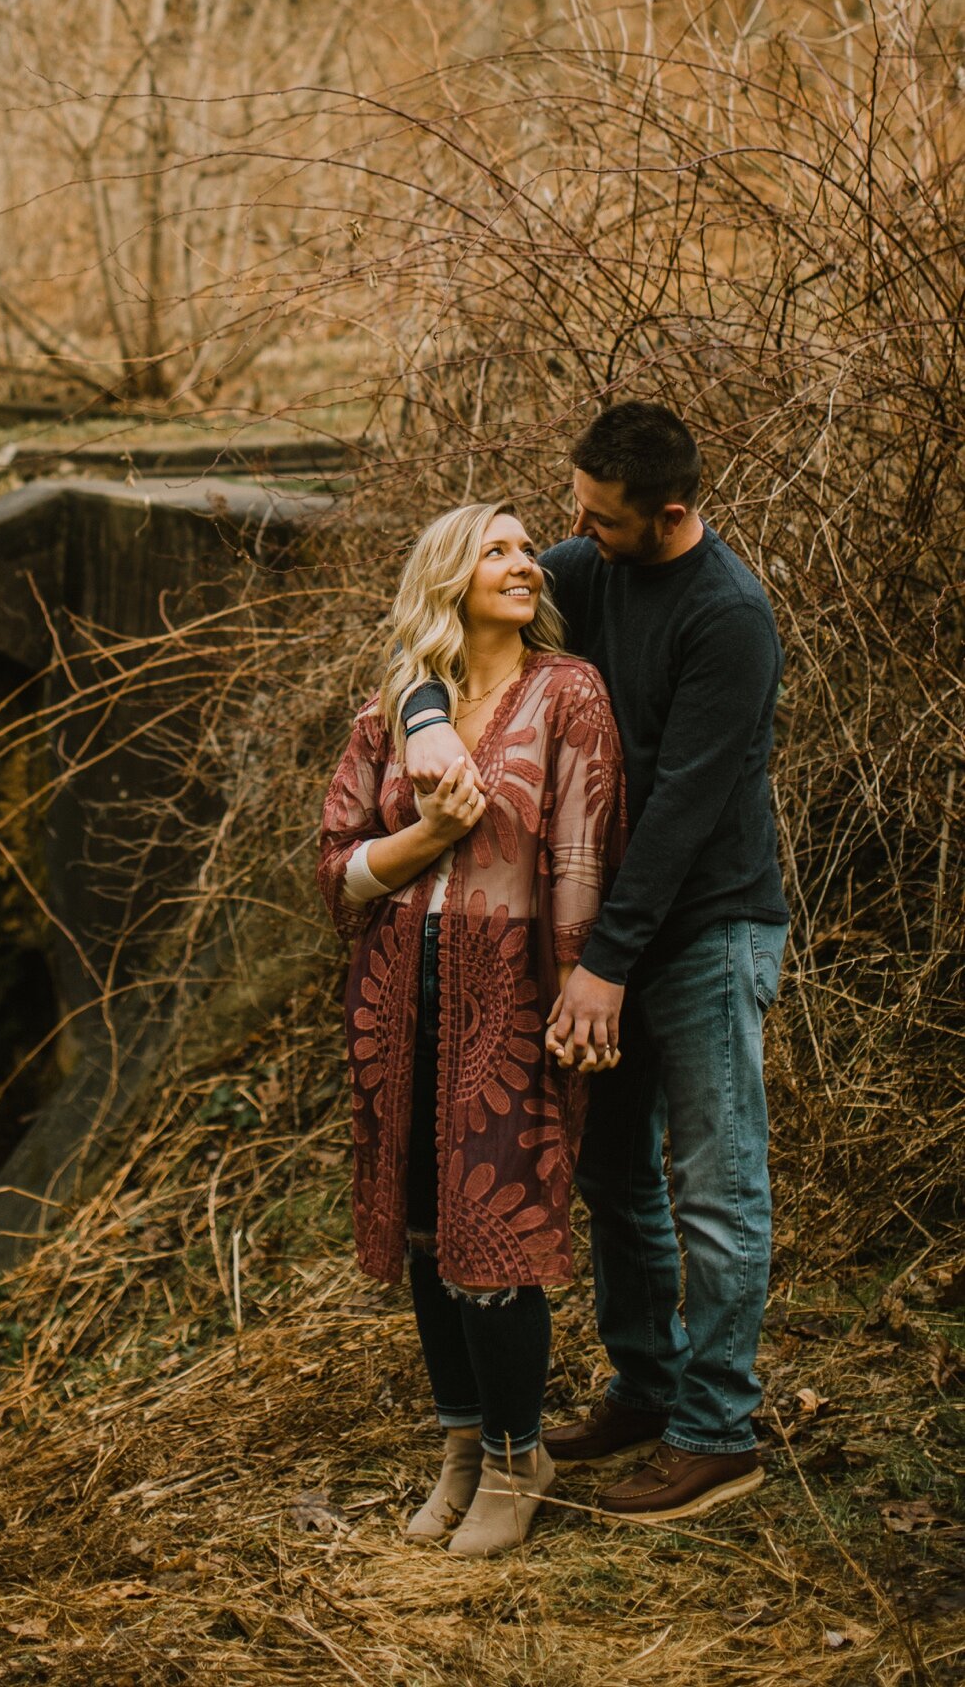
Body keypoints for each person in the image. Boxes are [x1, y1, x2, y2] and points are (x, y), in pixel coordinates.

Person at [402, 402, 788, 1524]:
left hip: (708, 927)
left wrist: (602, 966)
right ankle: (645, 1387)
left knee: (714, 1186)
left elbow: (680, 813)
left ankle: (717, 1432)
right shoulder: (588, 561)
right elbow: (436, 620)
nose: (573, 534)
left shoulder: (729, 619)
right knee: (616, 1176)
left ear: (670, 514)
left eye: (600, 517)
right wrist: (427, 716)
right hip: (604, 942)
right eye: (571, 509)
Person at [318, 500, 623, 1557]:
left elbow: (584, 853)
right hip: (396, 991)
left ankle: (516, 1455)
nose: (524, 562)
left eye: (528, 548)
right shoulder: (391, 714)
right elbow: (338, 871)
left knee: (491, 1240)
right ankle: (460, 1447)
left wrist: (585, 984)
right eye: (496, 549)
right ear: (449, 574)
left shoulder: (566, 694)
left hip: (511, 994)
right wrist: (428, 834)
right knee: (420, 1235)